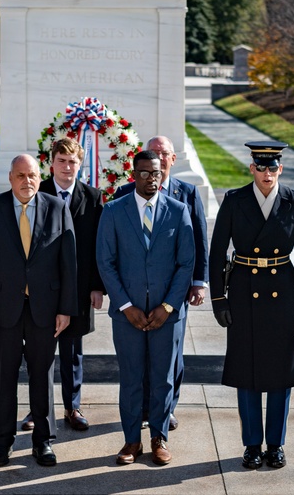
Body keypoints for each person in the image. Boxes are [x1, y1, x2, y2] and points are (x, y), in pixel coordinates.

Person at [209, 141, 294, 470]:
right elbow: (216, 254)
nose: (267, 173)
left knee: (281, 374)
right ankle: (252, 445)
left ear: (280, 169)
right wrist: (219, 299)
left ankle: (276, 445)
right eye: (261, 167)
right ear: (251, 168)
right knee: (247, 372)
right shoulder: (234, 200)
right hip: (244, 293)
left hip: (283, 295)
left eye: (273, 168)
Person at [0, 154, 77, 468]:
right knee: (4, 378)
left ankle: (42, 442)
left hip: (46, 309)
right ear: (10, 178)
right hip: (2, 312)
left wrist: (66, 308)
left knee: (42, 376)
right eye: (20, 176)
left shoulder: (57, 209)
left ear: (39, 178)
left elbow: (68, 263)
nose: (26, 182)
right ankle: (2, 444)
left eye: (31, 175)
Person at [97, 150, 195, 466]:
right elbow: (105, 262)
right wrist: (126, 305)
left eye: (156, 172)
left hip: (167, 314)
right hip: (128, 313)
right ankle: (131, 441)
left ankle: (159, 437)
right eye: (145, 173)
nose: (152, 178)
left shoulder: (179, 211)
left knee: (163, 377)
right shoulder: (113, 211)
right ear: (134, 174)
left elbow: (186, 263)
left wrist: (168, 306)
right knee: (131, 376)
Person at [113, 135, 208, 430]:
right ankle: (143, 410)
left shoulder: (186, 194)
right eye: (154, 153)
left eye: (164, 154)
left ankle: (166, 411)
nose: (160, 158)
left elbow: (198, 243)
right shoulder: (124, 195)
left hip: (174, 292)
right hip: (133, 296)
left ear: (171, 159)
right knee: (137, 362)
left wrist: (198, 282)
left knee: (170, 358)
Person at [37, 137, 104, 431]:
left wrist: (97, 286)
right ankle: (39, 409)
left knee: (72, 352)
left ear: (81, 164)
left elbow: (98, 246)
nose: (67, 167)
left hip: (77, 288)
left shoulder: (93, 197)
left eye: (72, 162)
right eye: (61, 161)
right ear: (52, 163)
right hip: (42, 287)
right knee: (40, 350)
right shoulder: (37, 193)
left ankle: (72, 406)